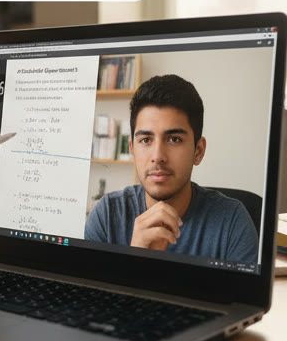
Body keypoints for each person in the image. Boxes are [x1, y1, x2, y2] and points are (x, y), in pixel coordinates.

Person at [84, 74, 258, 264]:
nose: (158, 156)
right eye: (145, 140)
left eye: (174, 139)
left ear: (198, 151)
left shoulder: (232, 221)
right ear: (132, 149)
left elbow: (241, 294)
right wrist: (134, 258)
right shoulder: (106, 216)